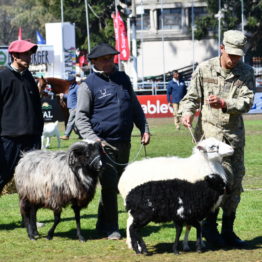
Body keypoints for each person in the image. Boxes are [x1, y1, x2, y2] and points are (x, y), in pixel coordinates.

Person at [179, 30, 255, 248]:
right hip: (209, 137)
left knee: (235, 184)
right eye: (231, 54)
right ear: (222, 48)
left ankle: (228, 231)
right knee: (212, 185)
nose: (233, 59)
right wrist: (186, 112)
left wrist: (225, 103)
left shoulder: (246, 72)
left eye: (238, 56)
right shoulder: (205, 68)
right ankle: (210, 231)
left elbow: (247, 102)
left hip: (233, 139)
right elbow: (191, 98)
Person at [75, 43, 150, 240]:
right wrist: (94, 139)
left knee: (115, 185)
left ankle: (102, 223)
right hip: (102, 145)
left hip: (124, 141)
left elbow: (134, 106)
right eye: (105, 59)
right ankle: (112, 228)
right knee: (109, 185)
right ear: (94, 62)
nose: (109, 62)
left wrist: (144, 128)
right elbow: (80, 117)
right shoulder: (87, 85)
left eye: (111, 58)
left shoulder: (123, 79)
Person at [0, 40, 44, 193]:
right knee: (2, 177)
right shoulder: (3, 76)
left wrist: (38, 131)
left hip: (31, 138)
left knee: (31, 181)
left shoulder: (29, 77)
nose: (29, 57)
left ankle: (29, 218)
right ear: (14, 56)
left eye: (30, 54)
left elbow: (36, 106)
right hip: (9, 139)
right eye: (25, 54)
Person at [60, 75, 80, 140]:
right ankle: (81, 135)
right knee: (74, 124)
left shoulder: (77, 87)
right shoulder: (71, 87)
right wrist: (63, 95)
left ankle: (66, 135)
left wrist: (77, 107)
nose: (68, 82)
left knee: (70, 121)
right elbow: (69, 96)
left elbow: (79, 97)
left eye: (69, 81)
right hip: (70, 108)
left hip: (75, 107)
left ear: (73, 81)